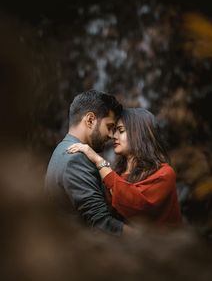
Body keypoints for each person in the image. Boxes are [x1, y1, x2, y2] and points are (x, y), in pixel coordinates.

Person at [67, 108, 182, 227]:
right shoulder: (116, 173)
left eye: (120, 130)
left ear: (139, 133)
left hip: (163, 245)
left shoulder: (165, 174)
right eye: (114, 130)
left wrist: (99, 160)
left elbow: (137, 206)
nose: (113, 136)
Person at [45, 89, 131, 236]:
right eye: (109, 127)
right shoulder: (75, 159)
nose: (112, 135)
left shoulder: (61, 149)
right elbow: (101, 224)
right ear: (90, 120)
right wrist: (146, 238)